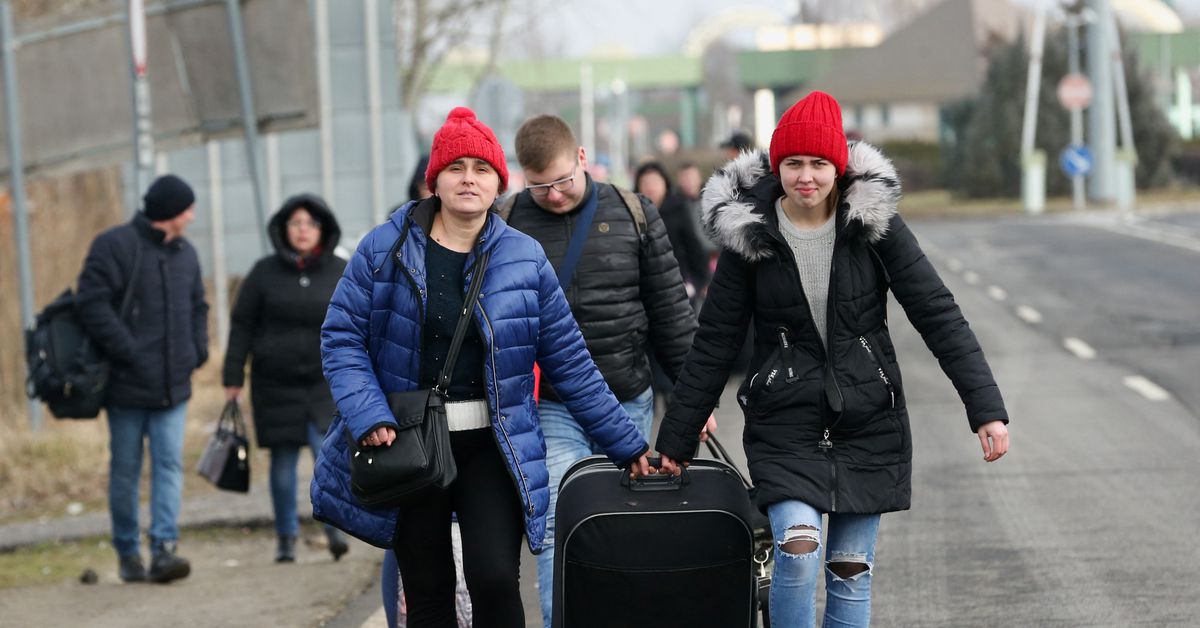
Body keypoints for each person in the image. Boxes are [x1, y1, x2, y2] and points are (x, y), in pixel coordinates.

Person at [656, 91, 1011, 627]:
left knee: (850, 571)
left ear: (838, 167)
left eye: (819, 164)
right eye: (793, 163)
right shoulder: (749, 235)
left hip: (868, 420)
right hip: (784, 422)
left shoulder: (873, 225)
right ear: (777, 167)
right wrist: (676, 441)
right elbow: (714, 341)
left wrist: (985, 407)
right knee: (798, 552)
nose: (806, 177)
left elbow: (937, 312)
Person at [316, 107, 653, 627]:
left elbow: (571, 364)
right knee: (427, 590)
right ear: (435, 180)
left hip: (493, 447)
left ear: (500, 181)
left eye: (480, 168)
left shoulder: (524, 258)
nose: (468, 179)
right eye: (456, 168)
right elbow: (342, 338)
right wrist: (369, 414)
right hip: (411, 444)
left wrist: (627, 446)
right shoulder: (385, 248)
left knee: (495, 578)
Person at [503, 114, 703, 627]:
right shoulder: (506, 222)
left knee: (620, 530)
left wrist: (693, 402)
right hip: (549, 405)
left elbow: (670, 316)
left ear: (583, 159)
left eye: (562, 181)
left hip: (626, 398)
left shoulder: (635, 213)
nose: (551, 194)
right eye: (539, 185)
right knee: (556, 524)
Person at [76, 174, 209, 584]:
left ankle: (164, 549)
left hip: (174, 386)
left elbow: (198, 306)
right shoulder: (114, 246)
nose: (191, 215)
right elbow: (91, 304)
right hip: (127, 387)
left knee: (169, 465)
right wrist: (129, 352)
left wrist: (197, 351)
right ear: (170, 212)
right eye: (186, 208)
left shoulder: (186, 253)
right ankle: (128, 552)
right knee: (127, 470)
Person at [222, 194, 350, 563]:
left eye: (310, 224)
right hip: (275, 384)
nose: (303, 230)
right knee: (282, 463)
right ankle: (286, 538)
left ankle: (335, 530)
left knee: (326, 457)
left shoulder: (340, 270)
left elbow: (360, 322)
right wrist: (233, 375)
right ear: (283, 229)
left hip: (324, 383)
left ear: (322, 229)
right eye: (295, 224)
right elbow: (242, 325)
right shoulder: (263, 273)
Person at [633, 161, 711, 296]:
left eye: (655, 182)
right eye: (645, 183)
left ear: (665, 184)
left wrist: (702, 280)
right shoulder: (632, 213)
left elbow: (692, 245)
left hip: (679, 282)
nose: (650, 188)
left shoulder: (678, 209)